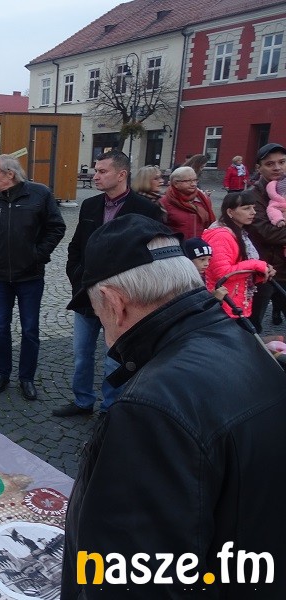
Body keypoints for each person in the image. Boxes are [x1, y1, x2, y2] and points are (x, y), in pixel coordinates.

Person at [60, 213, 286, 599]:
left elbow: (131, 579)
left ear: (114, 303)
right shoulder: (246, 341)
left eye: (98, 315)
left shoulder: (150, 408)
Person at [52, 150, 163, 418]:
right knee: (81, 354)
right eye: (95, 170)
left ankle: (110, 408)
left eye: (102, 171)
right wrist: (77, 277)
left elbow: (153, 255)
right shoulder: (90, 205)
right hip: (87, 295)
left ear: (121, 174)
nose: (95, 176)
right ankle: (82, 401)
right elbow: (76, 246)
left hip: (122, 300)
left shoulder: (146, 209)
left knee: (115, 358)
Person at [0, 154, 65, 399]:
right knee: (0, 328)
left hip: (30, 277)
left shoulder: (40, 194)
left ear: (10, 174)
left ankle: (26, 378)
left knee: (30, 330)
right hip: (0, 277)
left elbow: (56, 227)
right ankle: (2, 373)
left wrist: (38, 254)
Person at [203, 193, 274, 320]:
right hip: (226, 304)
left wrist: (262, 271)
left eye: (253, 207)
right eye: (246, 208)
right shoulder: (221, 236)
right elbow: (223, 274)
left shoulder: (239, 232)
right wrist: (256, 265)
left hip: (235, 299)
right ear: (230, 212)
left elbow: (240, 268)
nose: (253, 212)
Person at [244, 143, 286, 331]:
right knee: (252, 327)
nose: (277, 167)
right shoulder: (251, 197)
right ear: (258, 168)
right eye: (270, 164)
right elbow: (266, 232)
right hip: (264, 271)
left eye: (282, 162)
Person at [160, 166, 216, 238]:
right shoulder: (164, 202)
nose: (193, 184)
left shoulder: (203, 199)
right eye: (188, 181)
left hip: (200, 243)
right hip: (177, 243)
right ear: (176, 183)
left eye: (195, 180)